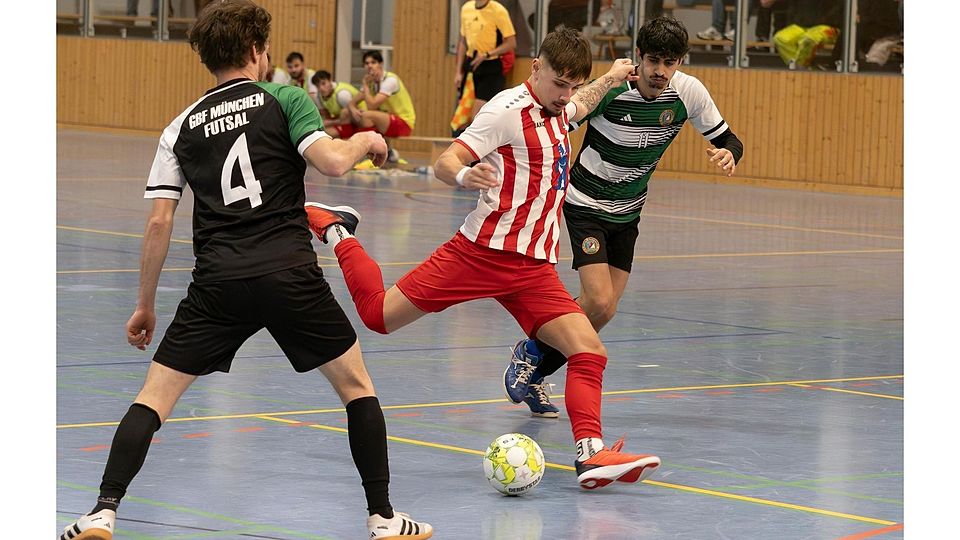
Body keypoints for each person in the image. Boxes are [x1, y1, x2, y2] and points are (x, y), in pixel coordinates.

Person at [58, 2, 432, 539]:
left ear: (208, 59)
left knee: (153, 398)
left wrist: (144, 305)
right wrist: (367, 141)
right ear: (257, 52)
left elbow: (159, 223)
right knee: (357, 388)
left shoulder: (179, 127)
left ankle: (102, 510)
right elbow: (332, 162)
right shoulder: (284, 98)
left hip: (217, 284)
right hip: (289, 274)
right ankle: (383, 519)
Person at [305, 25, 661, 490]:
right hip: (480, 254)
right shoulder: (505, 111)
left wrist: (612, 77)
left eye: (572, 85)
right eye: (558, 83)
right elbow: (445, 161)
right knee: (377, 316)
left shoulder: (561, 106)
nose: (565, 95)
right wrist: (463, 175)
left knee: (589, 349)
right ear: (536, 68)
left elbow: (582, 102)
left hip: (532, 269)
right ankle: (335, 230)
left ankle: (591, 455)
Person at [503, 17, 743, 419]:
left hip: (629, 210)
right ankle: (529, 352)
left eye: (669, 62)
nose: (659, 71)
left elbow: (727, 138)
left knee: (605, 310)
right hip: (584, 203)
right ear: (639, 57)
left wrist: (730, 153)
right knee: (596, 298)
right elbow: (558, 122)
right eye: (652, 61)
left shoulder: (689, 93)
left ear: (680, 62)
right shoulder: (612, 89)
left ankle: (536, 367)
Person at [345, 51, 416, 166]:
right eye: (367, 63)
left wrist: (366, 86)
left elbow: (372, 105)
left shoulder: (390, 80)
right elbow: (351, 103)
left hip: (404, 123)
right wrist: (353, 110)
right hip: (386, 121)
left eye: (373, 62)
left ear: (381, 64)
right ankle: (384, 152)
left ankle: (366, 152)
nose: (369, 66)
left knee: (367, 115)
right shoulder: (371, 82)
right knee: (349, 114)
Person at [454, 0, 517, 126]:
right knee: (464, 116)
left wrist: (487, 54)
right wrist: (458, 72)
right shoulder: (466, 9)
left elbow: (511, 43)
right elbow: (462, 42)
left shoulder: (498, 11)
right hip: (471, 65)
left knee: (478, 116)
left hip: (491, 66)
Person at [311, 69, 365, 138]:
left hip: (359, 118)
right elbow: (327, 117)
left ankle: (347, 141)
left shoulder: (342, 94)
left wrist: (333, 122)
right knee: (319, 131)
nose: (321, 88)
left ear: (330, 80)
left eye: (323, 83)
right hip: (342, 120)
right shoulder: (318, 96)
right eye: (318, 86)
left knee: (344, 112)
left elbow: (352, 116)